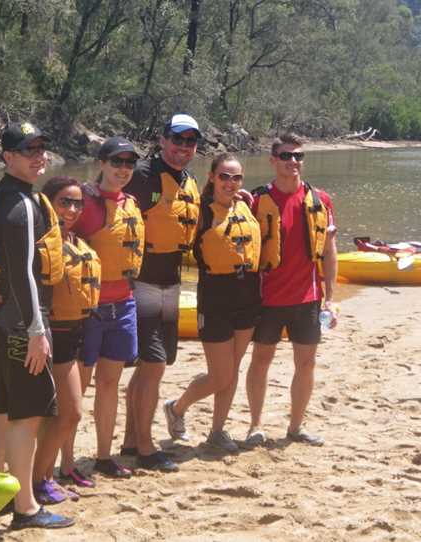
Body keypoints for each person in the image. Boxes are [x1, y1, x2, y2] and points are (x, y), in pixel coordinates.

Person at [0, 122, 74, 530]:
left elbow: (0, 266)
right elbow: (24, 274)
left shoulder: (1, 198)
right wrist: (36, 330)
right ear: (7, 157)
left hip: (0, 319)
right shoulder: (20, 207)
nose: (39, 157)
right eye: (28, 150)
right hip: (21, 323)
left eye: (42, 149)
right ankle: (25, 507)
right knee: (27, 414)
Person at [244, 133, 338, 448]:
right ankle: (255, 425)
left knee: (306, 363)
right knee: (261, 360)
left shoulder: (320, 201)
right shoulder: (257, 201)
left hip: (308, 299)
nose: (293, 162)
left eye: (298, 156)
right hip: (268, 298)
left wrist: (331, 300)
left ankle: (296, 427)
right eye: (286, 156)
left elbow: (329, 251)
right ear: (273, 160)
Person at [163, 154, 260, 452]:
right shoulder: (200, 213)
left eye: (236, 178)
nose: (230, 183)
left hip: (247, 297)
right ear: (212, 178)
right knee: (221, 374)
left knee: (233, 368)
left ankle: (217, 431)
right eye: (224, 177)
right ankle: (177, 408)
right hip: (215, 299)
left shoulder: (245, 205)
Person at [121, 114, 201, 472]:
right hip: (141, 282)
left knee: (149, 368)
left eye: (190, 142)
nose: (182, 148)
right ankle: (146, 448)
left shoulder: (189, 183)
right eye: (177, 140)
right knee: (152, 365)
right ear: (162, 140)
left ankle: (128, 440)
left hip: (171, 284)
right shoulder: (141, 178)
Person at [69, 137, 144, 481]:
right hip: (89, 309)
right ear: (101, 163)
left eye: (129, 164)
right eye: (117, 162)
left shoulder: (131, 203)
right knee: (77, 388)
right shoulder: (83, 203)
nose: (123, 169)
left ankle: (102, 456)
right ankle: (66, 463)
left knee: (110, 383)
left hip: (123, 304)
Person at [30, 176, 101, 504]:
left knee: (65, 413)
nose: (72, 209)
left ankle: (42, 477)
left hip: (75, 332)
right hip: (48, 335)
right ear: (48, 203)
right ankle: (38, 480)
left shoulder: (76, 239)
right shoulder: (38, 240)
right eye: (64, 202)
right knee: (64, 412)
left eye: (77, 203)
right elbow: (11, 275)